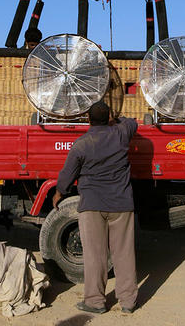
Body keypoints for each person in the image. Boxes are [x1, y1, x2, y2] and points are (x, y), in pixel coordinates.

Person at [53, 101, 138, 315]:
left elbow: (67, 174)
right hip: (121, 204)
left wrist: (59, 193)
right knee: (124, 254)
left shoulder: (82, 144)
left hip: (92, 205)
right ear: (109, 117)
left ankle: (95, 301)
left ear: (88, 119)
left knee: (95, 255)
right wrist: (115, 120)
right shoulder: (121, 134)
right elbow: (132, 122)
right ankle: (128, 301)